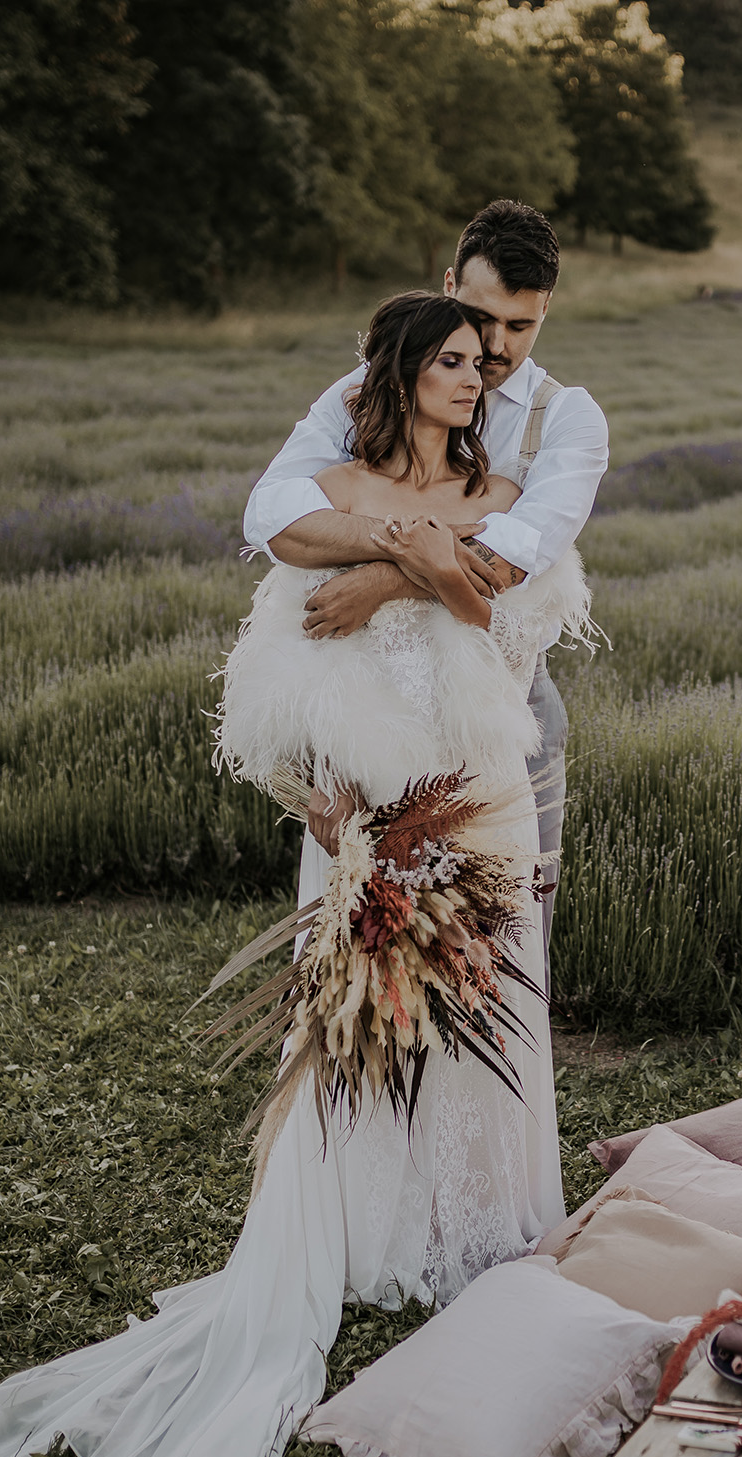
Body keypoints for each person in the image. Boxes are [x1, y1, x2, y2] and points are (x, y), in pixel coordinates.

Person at [0, 293, 591, 1457]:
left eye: (481, 361)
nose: (475, 376)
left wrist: (396, 560)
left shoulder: (502, 487)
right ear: (395, 376)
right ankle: (379, 1228)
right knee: (369, 1032)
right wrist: (335, 808)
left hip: (482, 798)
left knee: (484, 1017)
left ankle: (481, 1228)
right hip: (369, 809)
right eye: (449, 361)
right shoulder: (324, 484)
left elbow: (492, 595)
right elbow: (280, 657)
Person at [244, 199, 607, 932]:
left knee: (501, 940)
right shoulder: (364, 392)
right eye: (481, 318)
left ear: (546, 312)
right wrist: (404, 538)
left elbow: (507, 560)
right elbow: (271, 515)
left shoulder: (565, 420)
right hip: (370, 706)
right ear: (448, 285)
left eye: (521, 325)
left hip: (505, 713)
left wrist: (377, 581)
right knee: (365, 938)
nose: (497, 348)